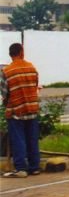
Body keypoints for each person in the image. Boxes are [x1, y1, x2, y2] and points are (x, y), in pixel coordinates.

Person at [1, 43, 41, 178]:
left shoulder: (7, 71)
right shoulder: (31, 67)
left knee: (18, 139)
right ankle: (34, 167)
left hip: (16, 111)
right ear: (21, 52)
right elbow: (35, 85)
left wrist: (7, 105)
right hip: (32, 108)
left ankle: (21, 168)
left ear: (10, 54)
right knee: (32, 139)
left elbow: (4, 93)